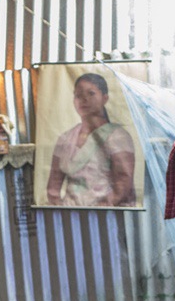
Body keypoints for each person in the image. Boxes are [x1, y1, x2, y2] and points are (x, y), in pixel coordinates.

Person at [45, 72, 136, 207]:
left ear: (105, 98)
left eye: (91, 93)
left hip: (107, 213)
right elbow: (54, 184)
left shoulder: (117, 136)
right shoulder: (65, 138)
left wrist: (101, 208)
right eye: (78, 95)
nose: (84, 99)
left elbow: (123, 182)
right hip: (70, 213)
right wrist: (59, 209)